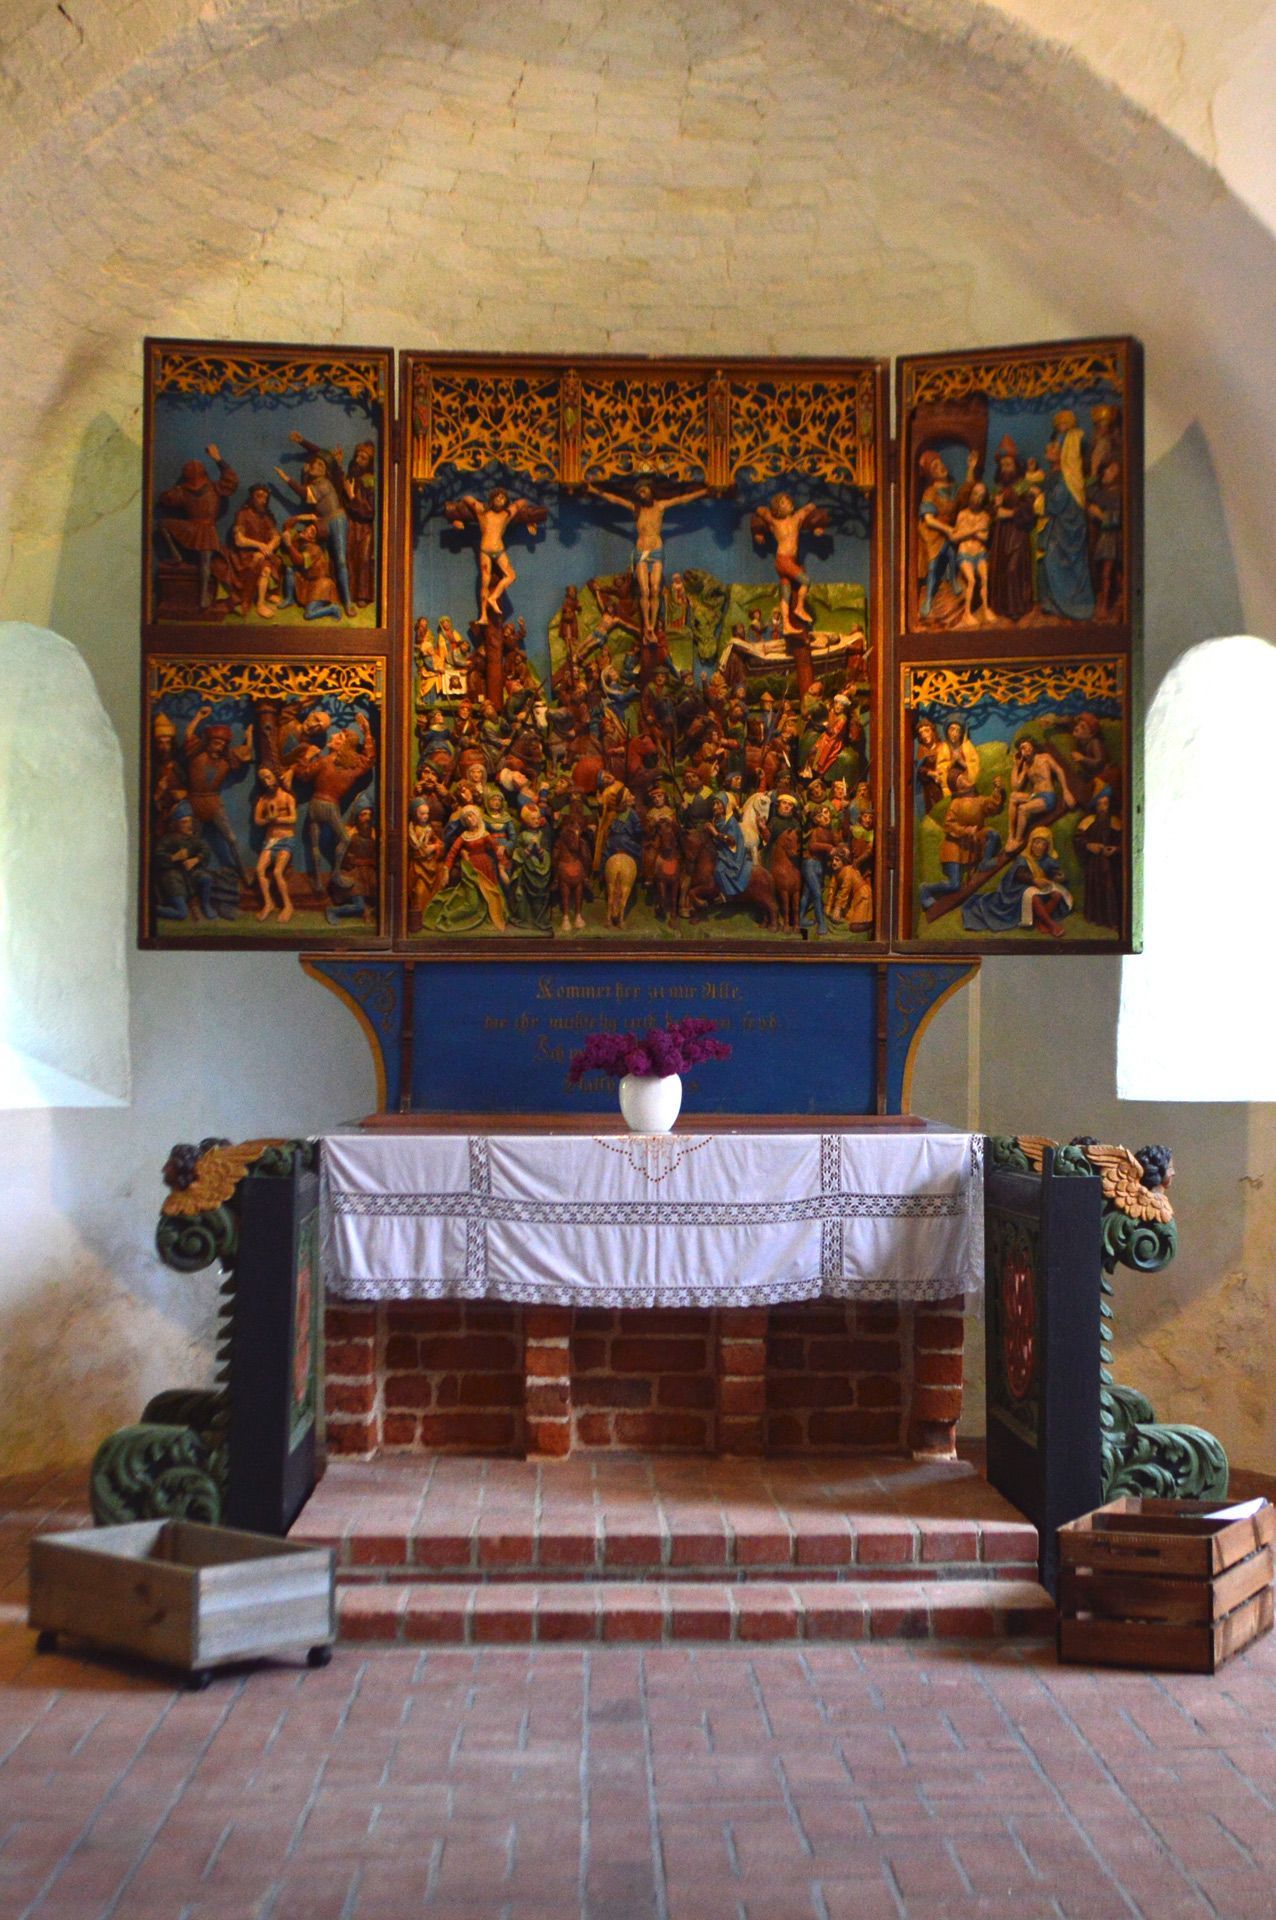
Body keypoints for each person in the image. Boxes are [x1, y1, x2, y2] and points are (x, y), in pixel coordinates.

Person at [588, 477, 708, 644]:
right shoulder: (636, 508)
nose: (642, 495)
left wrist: (705, 491)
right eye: (639, 493)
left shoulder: (660, 506)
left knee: (655, 589)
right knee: (644, 590)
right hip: (641, 551)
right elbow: (615, 499)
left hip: (656, 550)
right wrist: (593, 490)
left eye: (644, 491)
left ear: (650, 490)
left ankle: (652, 623)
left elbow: (682, 499)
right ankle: (648, 627)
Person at [277, 432, 357, 615]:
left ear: (326, 470)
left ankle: (347, 601)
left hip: (336, 520)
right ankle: (308, 594)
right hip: (322, 523)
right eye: (314, 463)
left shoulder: (324, 483)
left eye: (320, 465)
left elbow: (322, 457)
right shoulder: (315, 482)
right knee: (314, 556)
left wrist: (287, 479)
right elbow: (320, 458)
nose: (315, 465)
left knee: (340, 559)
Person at [443, 487, 547, 618]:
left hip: (499, 550)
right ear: (491, 499)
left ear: (506, 501)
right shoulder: (482, 511)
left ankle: (493, 597)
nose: (499, 500)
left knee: (511, 576)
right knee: (485, 582)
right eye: (497, 497)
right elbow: (467, 499)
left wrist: (530, 519)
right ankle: (483, 615)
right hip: (485, 550)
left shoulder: (506, 514)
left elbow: (520, 503)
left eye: (502, 498)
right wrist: (457, 519)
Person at [156, 446, 238, 608]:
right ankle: (202, 597)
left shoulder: (183, 491)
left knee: (162, 524)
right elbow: (232, 481)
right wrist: (218, 459)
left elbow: (165, 498)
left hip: (193, 528)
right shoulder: (215, 487)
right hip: (206, 529)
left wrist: (178, 486)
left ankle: (176, 555)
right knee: (205, 564)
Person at [919, 767, 1005, 914]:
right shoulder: (956, 803)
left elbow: (993, 806)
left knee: (993, 835)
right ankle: (926, 889)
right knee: (954, 885)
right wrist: (965, 830)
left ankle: (985, 861)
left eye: (964, 776)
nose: (966, 780)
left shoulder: (979, 800)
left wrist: (997, 789)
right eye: (961, 781)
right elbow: (949, 824)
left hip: (974, 838)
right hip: (954, 847)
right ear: (958, 787)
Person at [962, 824, 1072, 937]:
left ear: (1047, 846)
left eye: (1043, 844)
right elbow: (1020, 875)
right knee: (1034, 898)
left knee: (1057, 895)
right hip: (1018, 889)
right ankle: (1051, 924)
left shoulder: (1048, 859)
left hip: (1041, 887)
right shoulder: (1023, 858)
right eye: (1037, 842)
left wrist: (1058, 877)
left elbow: (1053, 872)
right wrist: (1034, 880)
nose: (1039, 846)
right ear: (1031, 843)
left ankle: (1041, 921)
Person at [1034, 430, 1096, 621]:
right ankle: (1054, 602)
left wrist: (1038, 498)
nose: (1050, 449)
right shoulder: (1064, 475)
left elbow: (1055, 503)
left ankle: (1069, 604)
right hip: (1062, 528)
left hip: (1065, 531)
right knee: (1051, 561)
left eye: (1056, 447)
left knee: (1053, 560)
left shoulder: (1066, 478)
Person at [749, 491, 830, 635]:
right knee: (806, 580)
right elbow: (761, 511)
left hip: (790, 561)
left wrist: (818, 524)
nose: (789, 503)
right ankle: (799, 607)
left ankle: (786, 625)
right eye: (784, 502)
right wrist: (761, 514)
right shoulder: (775, 522)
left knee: (785, 592)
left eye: (789, 501)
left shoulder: (796, 519)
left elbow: (808, 508)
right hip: (783, 559)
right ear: (778, 508)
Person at [214, 483, 283, 618]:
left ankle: (266, 594)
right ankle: (260, 604)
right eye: (259, 496)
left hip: (263, 553)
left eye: (265, 497)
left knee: (272, 563)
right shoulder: (242, 514)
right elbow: (239, 540)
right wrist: (260, 545)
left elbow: (276, 537)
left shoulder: (267, 516)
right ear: (252, 497)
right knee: (264, 568)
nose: (262, 499)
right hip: (244, 554)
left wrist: (268, 547)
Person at [1006, 736, 1070, 851]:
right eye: (1022, 748)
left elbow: (1059, 771)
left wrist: (1066, 791)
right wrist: (1016, 767)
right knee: (1013, 797)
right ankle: (1011, 835)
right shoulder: (1026, 765)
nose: (1025, 750)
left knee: (1023, 809)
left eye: (1026, 746)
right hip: (1034, 796)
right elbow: (1016, 786)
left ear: (1032, 746)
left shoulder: (1045, 757)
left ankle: (1018, 840)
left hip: (1047, 797)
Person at [152, 803, 215, 921]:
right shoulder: (168, 839)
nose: (189, 825)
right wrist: (173, 858)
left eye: (190, 822)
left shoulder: (193, 839)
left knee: (206, 878)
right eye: (184, 822)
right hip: (173, 879)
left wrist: (196, 859)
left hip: (189, 875)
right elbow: (157, 857)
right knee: (181, 914)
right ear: (176, 824)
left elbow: (206, 850)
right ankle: (154, 910)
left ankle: (205, 905)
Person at [252, 767, 297, 923]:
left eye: (268, 777)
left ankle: (288, 906)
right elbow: (257, 820)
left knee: (278, 872)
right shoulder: (263, 800)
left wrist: (277, 819)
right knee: (259, 869)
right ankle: (268, 903)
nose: (267, 781)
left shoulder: (287, 797)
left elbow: (293, 818)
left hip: (286, 840)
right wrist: (267, 821)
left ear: (276, 777)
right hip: (270, 841)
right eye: (263, 779)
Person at [1078, 788, 1122, 929]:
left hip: (1111, 863)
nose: (1103, 808)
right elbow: (1078, 839)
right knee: (1095, 888)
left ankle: (1112, 920)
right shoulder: (1088, 821)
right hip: (1094, 863)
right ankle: (1095, 918)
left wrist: (1116, 849)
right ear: (1095, 806)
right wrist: (1088, 845)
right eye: (1100, 804)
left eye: (1105, 804)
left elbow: (1123, 841)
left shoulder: (1115, 821)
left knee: (1110, 888)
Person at [344, 441, 377, 608]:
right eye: (357, 456)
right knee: (350, 556)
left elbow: (370, 510)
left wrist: (352, 497)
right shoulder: (351, 478)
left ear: (370, 462)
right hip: (352, 524)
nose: (358, 460)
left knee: (364, 559)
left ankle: (363, 594)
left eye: (363, 458)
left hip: (364, 527)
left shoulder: (370, 480)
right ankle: (349, 592)